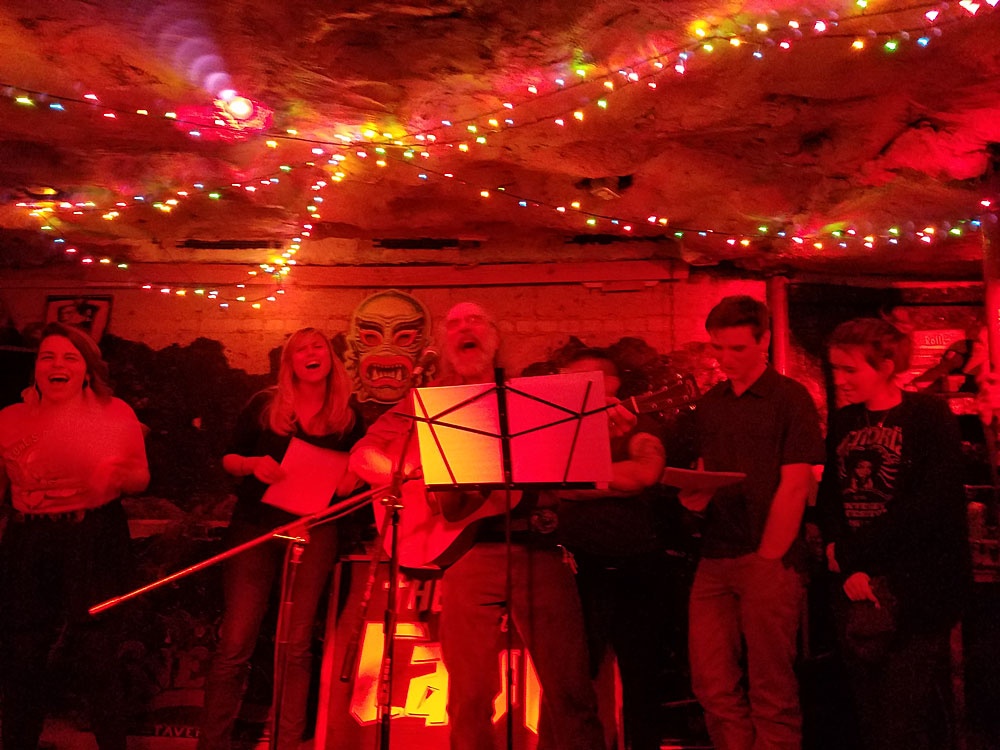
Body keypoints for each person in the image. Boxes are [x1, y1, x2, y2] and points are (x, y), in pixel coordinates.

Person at [349, 302, 606, 750]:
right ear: (444, 342)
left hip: (537, 549)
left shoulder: (533, 398)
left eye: (476, 320)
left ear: (496, 336)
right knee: (468, 698)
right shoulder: (424, 403)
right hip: (466, 554)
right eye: (454, 323)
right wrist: (413, 469)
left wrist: (604, 433)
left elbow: (580, 472)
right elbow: (362, 458)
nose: (464, 328)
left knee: (570, 692)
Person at [198, 328, 366, 750]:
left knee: (296, 645)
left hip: (314, 529)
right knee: (236, 641)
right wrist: (253, 464)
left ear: (330, 358)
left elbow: (357, 473)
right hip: (256, 527)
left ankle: (288, 743)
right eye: (300, 350)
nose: (311, 353)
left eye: (318, 346)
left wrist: (353, 476)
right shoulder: (265, 404)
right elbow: (229, 458)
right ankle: (212, 743)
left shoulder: (348, 414)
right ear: (289, 363)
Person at [679, 295, 823, 750]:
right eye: (718, 348)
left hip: (768, 554)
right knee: (711, 683)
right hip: (716, 553)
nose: (725, 359)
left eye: (737, 348)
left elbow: (796, 485)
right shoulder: (711, 404)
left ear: (764, 341)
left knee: (771, 687)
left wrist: (769, 558)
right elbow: (704, 471)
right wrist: (694, 497)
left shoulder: (790, 398)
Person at [818, 317, 968, 750]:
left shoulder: (927, 415)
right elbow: (831, 495)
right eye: (836, 369)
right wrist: (844, 558)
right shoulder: (845, 421)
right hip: (856, 586)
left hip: (915, 589)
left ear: (885, 366)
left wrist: (851, 556)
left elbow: (928, 507)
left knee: (900, 723)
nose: (840, 380)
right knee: (870, 719)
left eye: (850, 369)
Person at [0, 322, 150, 750]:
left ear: (87, 370)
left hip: (92, 537)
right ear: (36, 368)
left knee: (98, 656)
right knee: (22, 656)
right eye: (47, 357)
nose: (57, 364)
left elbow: (141, 478)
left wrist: (116, 473)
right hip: (29, 539)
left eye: (70, 357)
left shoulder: (114, 413)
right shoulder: (10, 419)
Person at [554, 348, 669, 750]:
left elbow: (644, 473)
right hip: (574, 566)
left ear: (610, 386)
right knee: (572, 676)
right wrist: (606, 480)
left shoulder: (639, 423)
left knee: (642, 676)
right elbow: (543, 482)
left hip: (634, 565)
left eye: (577, 382)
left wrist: (571, 480)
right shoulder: (561, 430)